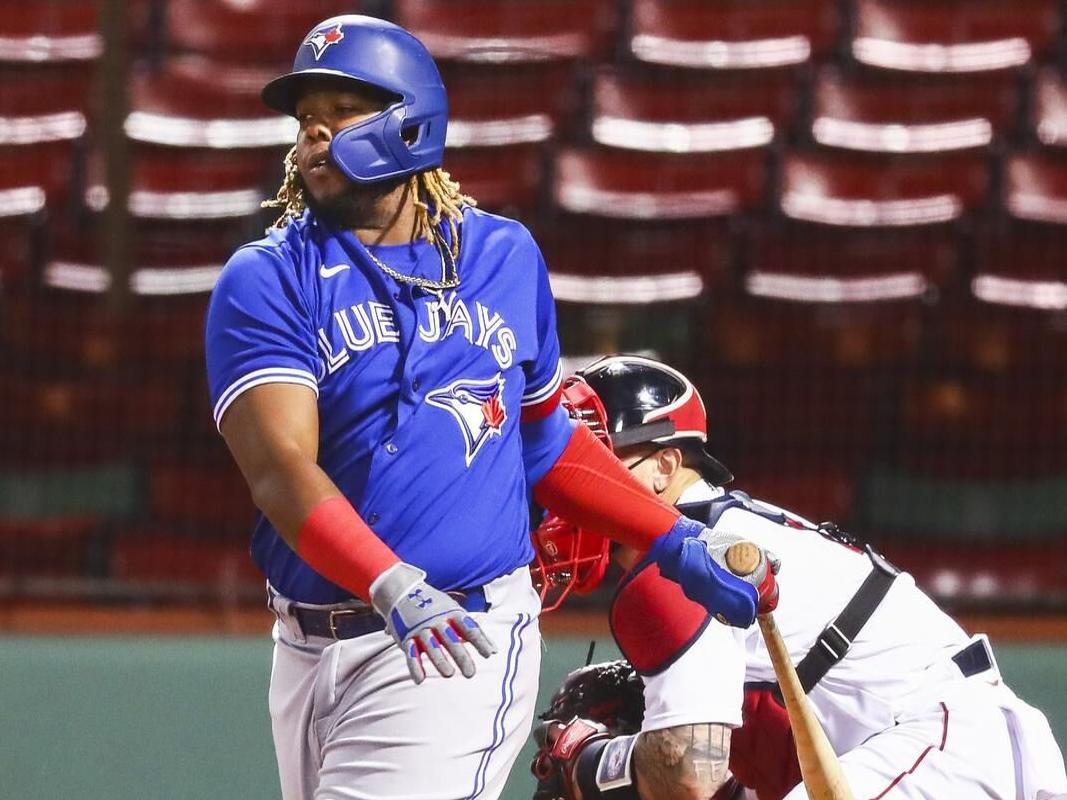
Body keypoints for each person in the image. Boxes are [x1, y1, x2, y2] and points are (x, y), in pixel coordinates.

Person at [203, 16, 778, 800]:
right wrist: (388, 582)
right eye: (306, 119)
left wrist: (671, 536)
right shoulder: (268, 277)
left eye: (340, 112)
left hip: (457, 639)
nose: (313, 137)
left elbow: (542, 439)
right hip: (310, 641)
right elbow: (279, 468)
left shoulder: (503, 258)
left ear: (409, 120)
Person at [531, 354, 1067, 800]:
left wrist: (588, 756)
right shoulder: (721, 531)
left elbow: (686, 771)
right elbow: (716, 775)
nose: (567, 488)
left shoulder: (680, 567)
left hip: (944, 747)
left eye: (594, 457)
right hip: (958, 745)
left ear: (666, 467)